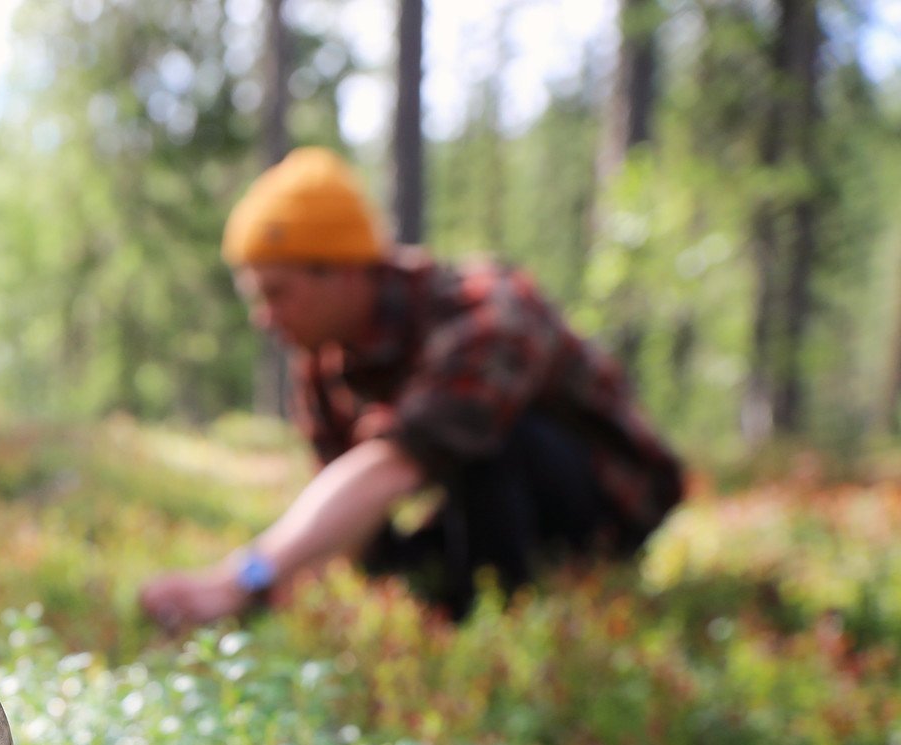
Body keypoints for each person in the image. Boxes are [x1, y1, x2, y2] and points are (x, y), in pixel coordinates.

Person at [139, 147, 685, 629]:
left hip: (604, 510)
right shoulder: (325, 364)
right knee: (382, 551)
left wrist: (241, 578)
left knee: (482, 440)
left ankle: (491, 631)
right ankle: (455, 609)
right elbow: (351, 515)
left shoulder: (486, 313)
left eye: (278, 293)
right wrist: (270, 598)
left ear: (345, 272)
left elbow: (397, 463)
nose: (265, 318)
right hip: (475, 518)